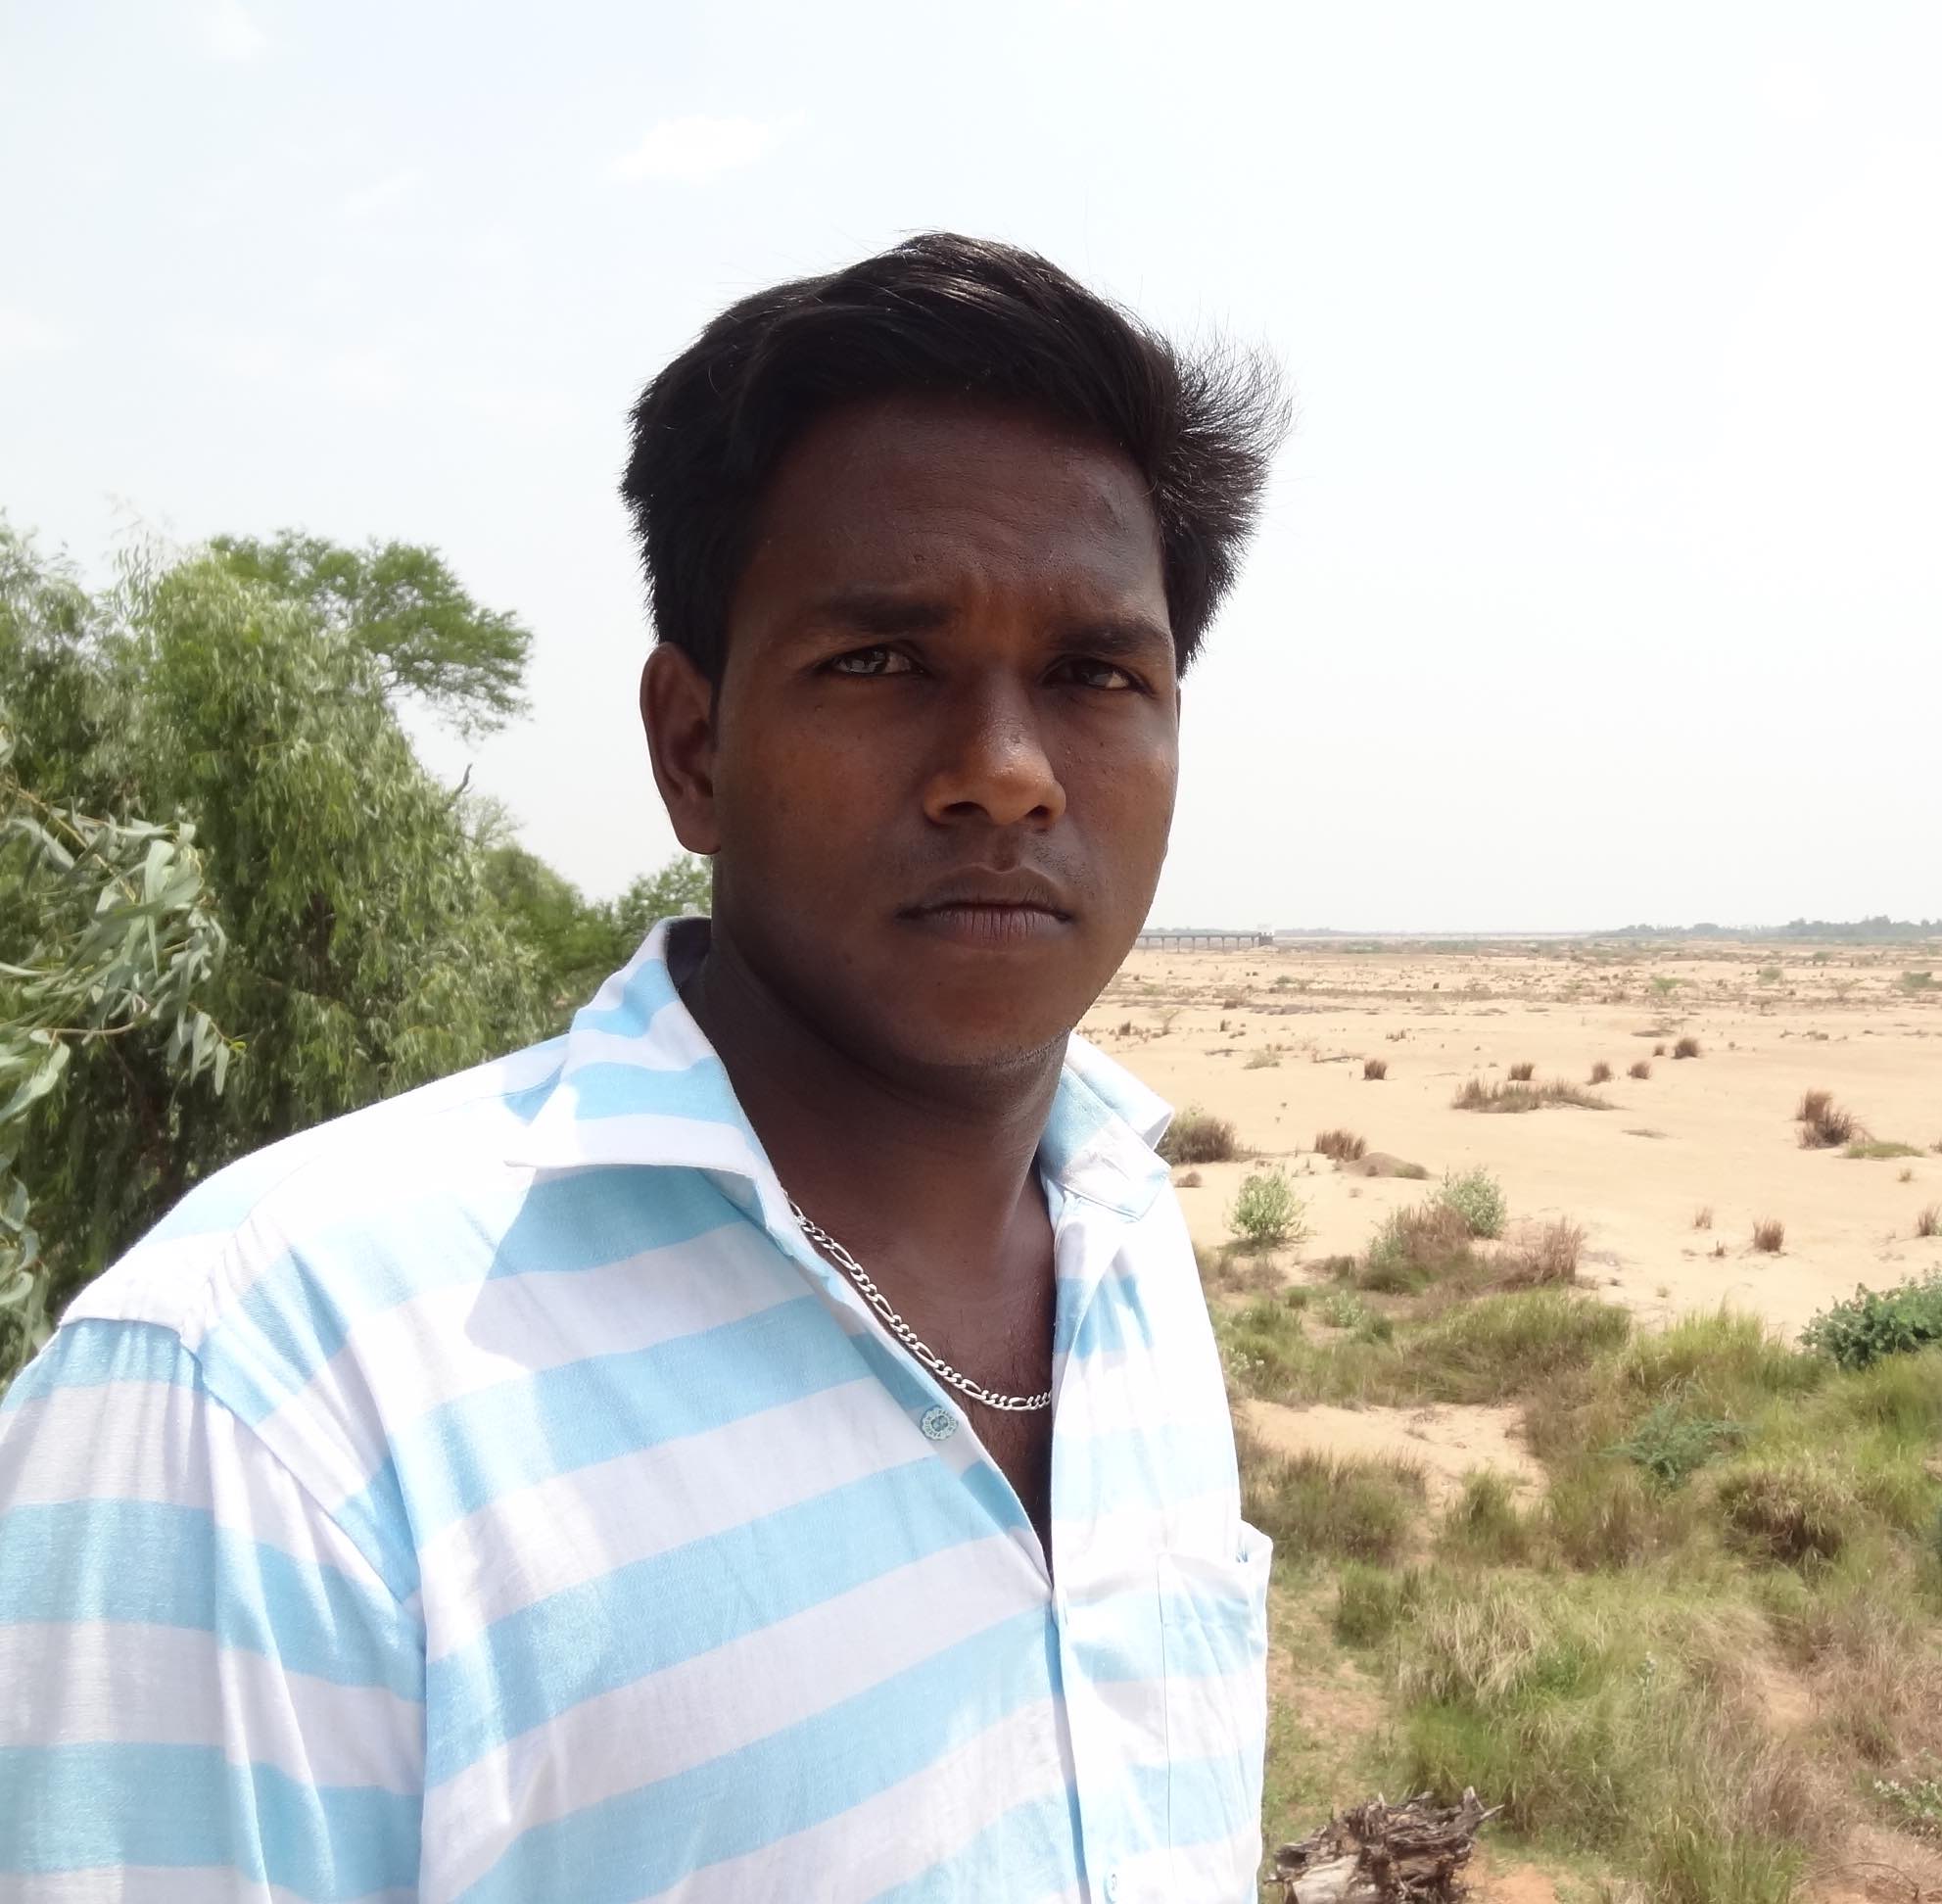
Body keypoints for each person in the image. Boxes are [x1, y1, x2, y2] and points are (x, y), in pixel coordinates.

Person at [0, 233, 1287, 1902]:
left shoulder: (1123, 1241)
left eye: (1096, 674)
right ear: (694, 746)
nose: (1007, 772)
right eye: (881, 663)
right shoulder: (268, 1390)